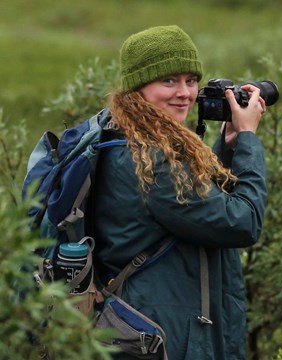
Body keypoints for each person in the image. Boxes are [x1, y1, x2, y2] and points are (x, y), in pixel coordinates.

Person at [92, 25, 267, 359]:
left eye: (191, 80)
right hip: (163, 336)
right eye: (168, 81)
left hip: (142, 323)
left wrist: (228, 147)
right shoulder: (152, 163)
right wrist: (248, 139)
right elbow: (242, 221)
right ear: (137, 87)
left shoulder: (125, 140)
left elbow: (200, 204)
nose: (185, 93)